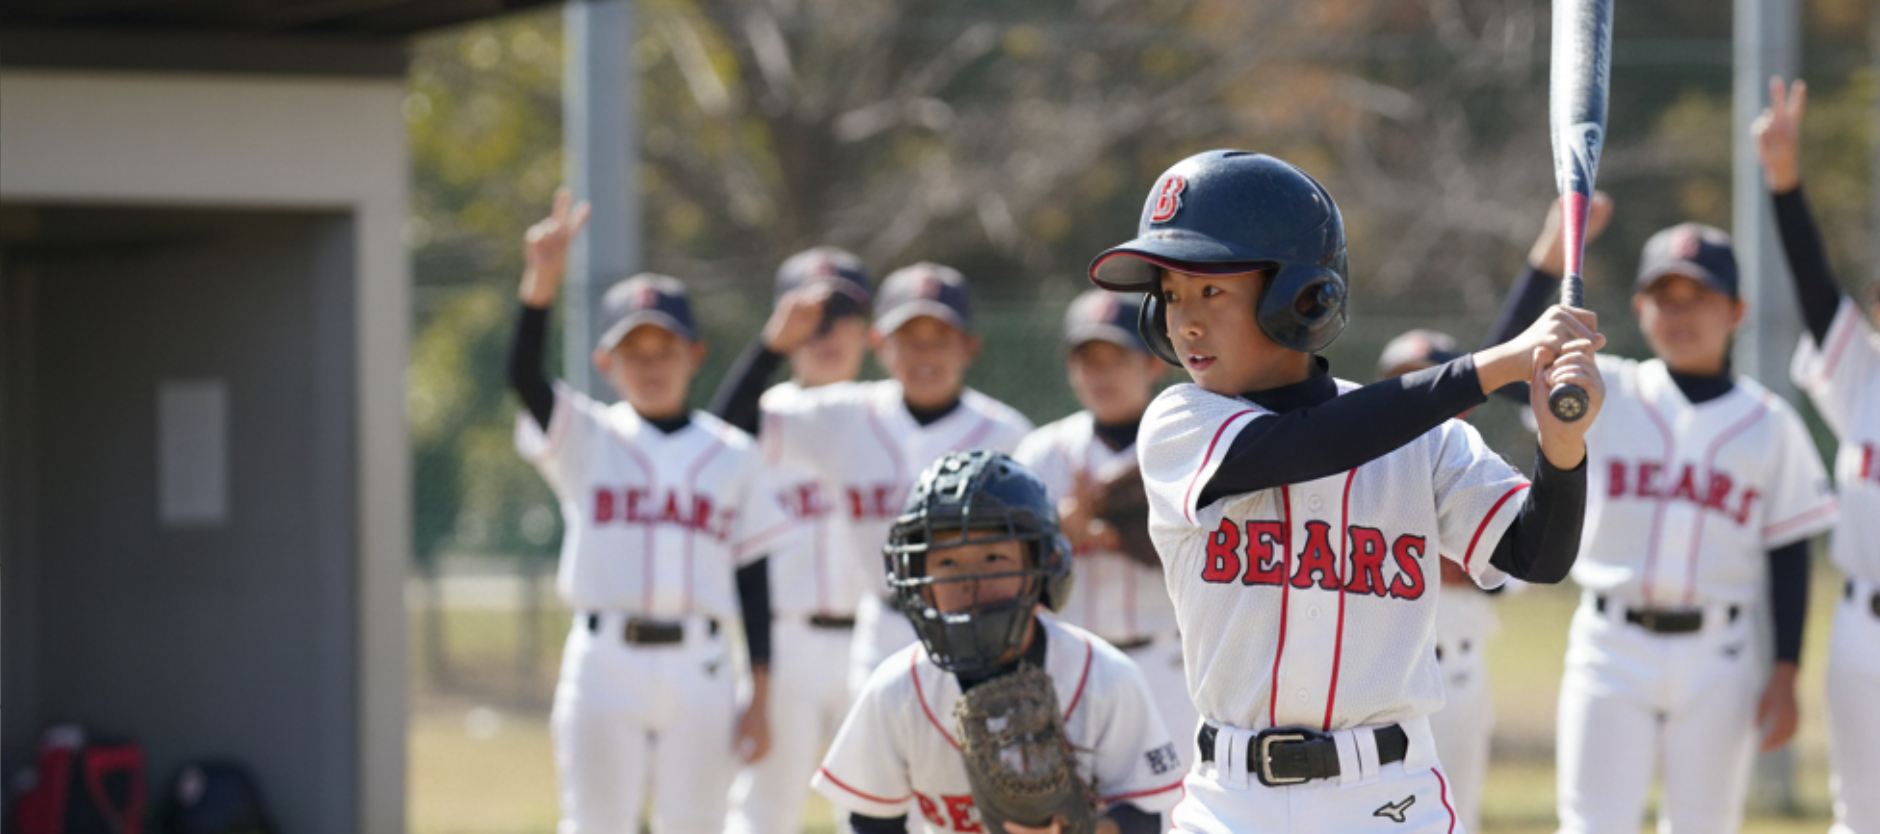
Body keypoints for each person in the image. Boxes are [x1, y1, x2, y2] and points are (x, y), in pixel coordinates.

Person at [1088, 150, 1604, 832]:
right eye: (1172, 294)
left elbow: (1537, 555)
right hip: (1232, 799)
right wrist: (1488, 367)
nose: (1185, 321)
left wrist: (1562, 450)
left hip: (1386, 797)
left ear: (1301, 296)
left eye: (1211, 291)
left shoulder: (1425, 441)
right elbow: (1307, 447)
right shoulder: (1180, 422)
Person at [1484, 200, 1838, 834]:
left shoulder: (1769, 423)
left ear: (1737, 311)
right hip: (1609, 646)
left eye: (1698, 297)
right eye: (1663, 298)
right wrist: (1549, 255)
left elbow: (1787, 556)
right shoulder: (1606, 389)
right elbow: (1505, 371)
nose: (1680, 314)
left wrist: (1786, 672)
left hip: (1719, 655)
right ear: (1640, 309)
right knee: (1591, 825)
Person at [509, 189, 796, 834]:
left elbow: (754, 579)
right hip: (603, 661)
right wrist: (540, 286)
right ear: (605, 363)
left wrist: (760, 694)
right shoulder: (588, 436)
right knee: (594, 825)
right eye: (633, 352)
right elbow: (524, 376)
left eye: (664, 348)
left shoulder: (733, 453)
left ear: (695, 354)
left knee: (696, 826)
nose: (650, 364)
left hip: (701, 665)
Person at [812, 450, 1187, 834]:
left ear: (1042, 565)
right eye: (947, 563)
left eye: (993, 557)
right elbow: (871, 822)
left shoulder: (1103, 676)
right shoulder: (898, 687)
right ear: (918, 579)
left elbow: (1146, 815)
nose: (970, 582)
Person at [716, 262, 1034, 693]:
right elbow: (725, 432)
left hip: (978, 629)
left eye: (940, 339)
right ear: (880, 344)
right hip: (885, 628)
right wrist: (770, 348)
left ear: (969, 347)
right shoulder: (844, 415)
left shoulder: (1006, 435)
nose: (925, 355)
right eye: (909, 340)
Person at [1755, 75, 1880, 834]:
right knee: (1860, 814)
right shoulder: (1864, 378)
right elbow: (1813, 288)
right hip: (1866, 626)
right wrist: (1785, 184)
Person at [716, 247, 876, 834]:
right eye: (809, 317)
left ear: (868, 330)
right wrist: (767, 350)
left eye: (839, 315)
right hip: (785, 644)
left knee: (880, 812)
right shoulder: (763, 416)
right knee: (763, 813)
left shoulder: (888, 414)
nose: (825, 332)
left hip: (875, 637)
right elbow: (713, 437)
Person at [1014, 290, 1200, 767]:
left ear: (1153, 364)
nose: (1101, 374)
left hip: (1167, 663)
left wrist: (1120, 536)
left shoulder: (1190, 445)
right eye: (1088, 360)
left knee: (1174, 799)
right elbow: (1010, 565)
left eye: (1116, 358)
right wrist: (1055, 533)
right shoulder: (1042, 452)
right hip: (1068, 665)